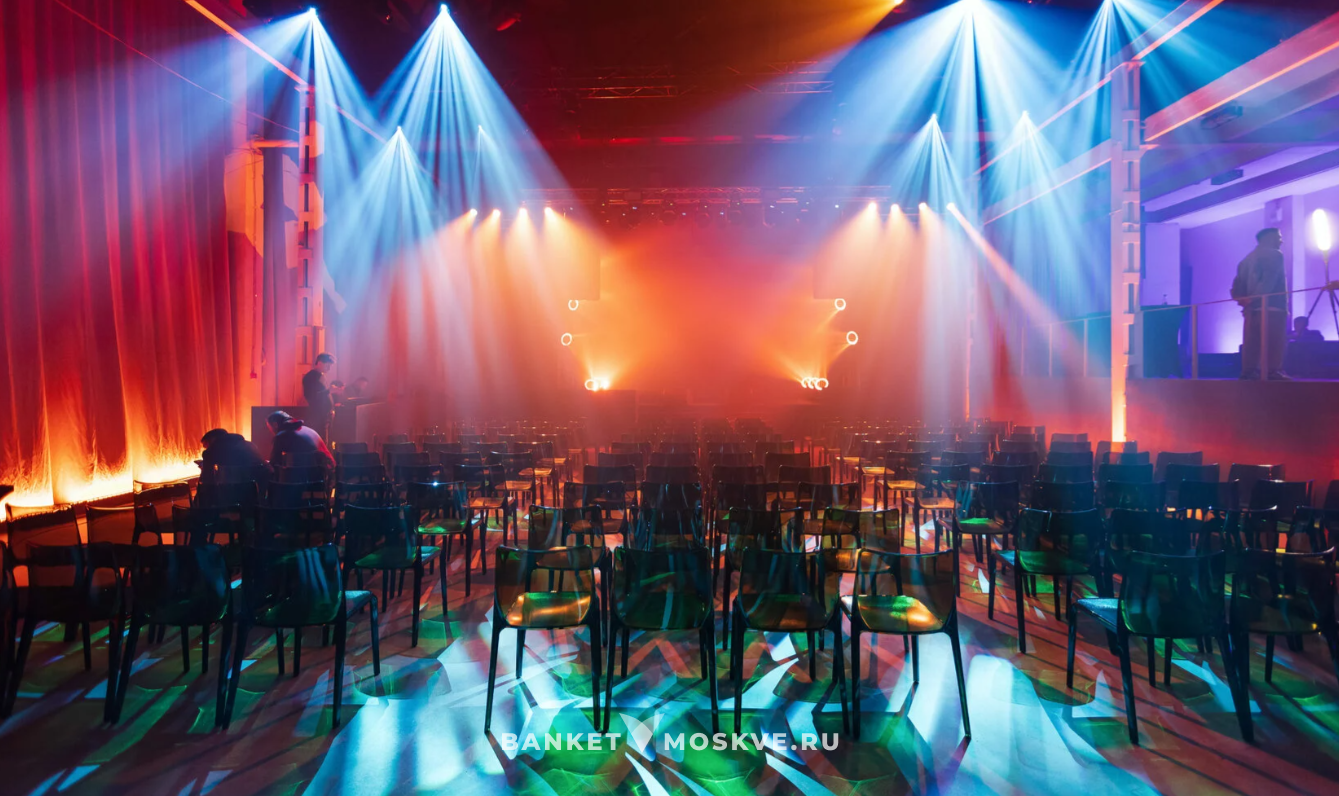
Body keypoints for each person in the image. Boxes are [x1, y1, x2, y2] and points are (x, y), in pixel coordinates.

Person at [1231, 227, 1289, 380]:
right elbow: (1268, 281)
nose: (1281, 241)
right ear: (1268, 238)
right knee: (1275, 341)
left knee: (1252, 343)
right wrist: (1256, 298)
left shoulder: (1246, 259)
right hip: (1273, 307)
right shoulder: (1276, 255)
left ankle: (1249, 372)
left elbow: (1237, 286)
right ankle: (1273, 371)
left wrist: (1245, 301)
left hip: (1251, 310)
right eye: (1278, 237)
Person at [267, 410, 335, 469]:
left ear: (275, 425)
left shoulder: (281, 436)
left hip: (305, 477)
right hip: (326, 475)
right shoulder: (309, 430)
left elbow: (274, 466)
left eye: (270, 428)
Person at [199, 428, 267, 483]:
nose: (206, 448)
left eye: (206, 445)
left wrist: (204, 467)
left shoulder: (211, 451)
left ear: (212, 439)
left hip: (228, 489)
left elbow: (207, 479)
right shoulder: (250, 445)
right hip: (255, 486)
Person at [302, 352, 336, 439]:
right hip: (317, 417)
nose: (329, 368)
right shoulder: (311, 377)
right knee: (320, 441)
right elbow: (312, 396)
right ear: (320, 363)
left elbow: (323, 395)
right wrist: (329, 391)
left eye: (330, 366)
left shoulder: (321, 376)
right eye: (327, 365)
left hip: (324, 416)